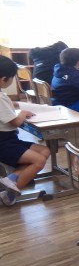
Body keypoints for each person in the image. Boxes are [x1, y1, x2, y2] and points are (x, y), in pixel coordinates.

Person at [0, 55, 51, 206]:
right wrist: (23, 113)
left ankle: (12, 179)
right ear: (4, 79)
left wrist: (16, 104)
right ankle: (9, 195)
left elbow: (6, 105)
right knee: (39, 160)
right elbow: (15, 122)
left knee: (44, 151)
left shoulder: (2, 95)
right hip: (4, 144)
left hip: (9, 140)